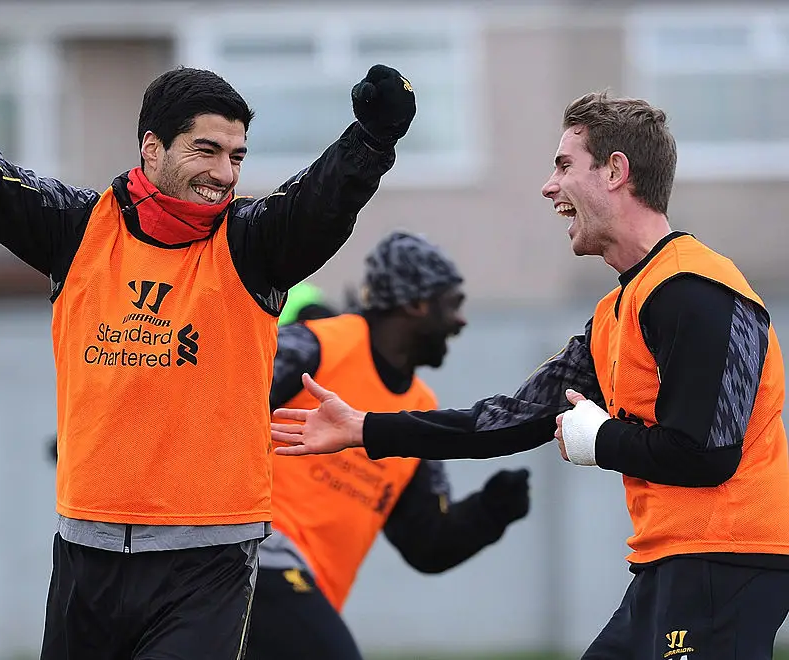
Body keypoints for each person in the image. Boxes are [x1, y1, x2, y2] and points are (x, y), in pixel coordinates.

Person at [0, 24, 417, 660]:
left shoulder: (252, 245)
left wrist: (370, 140)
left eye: (236, 156)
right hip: (85, 558)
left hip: (208, 563)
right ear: (152, 147)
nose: (224, 173)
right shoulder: (76, 229)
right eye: (205, 150)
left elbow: (319, 203)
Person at [270, 91, 789, 659]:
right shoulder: (617, 313)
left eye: (564, 166)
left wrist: (602, 440)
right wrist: (364, 428)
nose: (548, 186)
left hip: (728, 560)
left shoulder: (696, 289)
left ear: (616, 171)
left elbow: (707, 455)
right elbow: (509, 418)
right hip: (670, 563)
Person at [247, 232, 531, 660]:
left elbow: (426, 543)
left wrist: (490, 511)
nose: (461, 321)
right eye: (452, 303)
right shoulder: (315, 346)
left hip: (305, 592)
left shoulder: (418, 410)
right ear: (416, 304)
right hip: (249, 559)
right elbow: (218, 409)